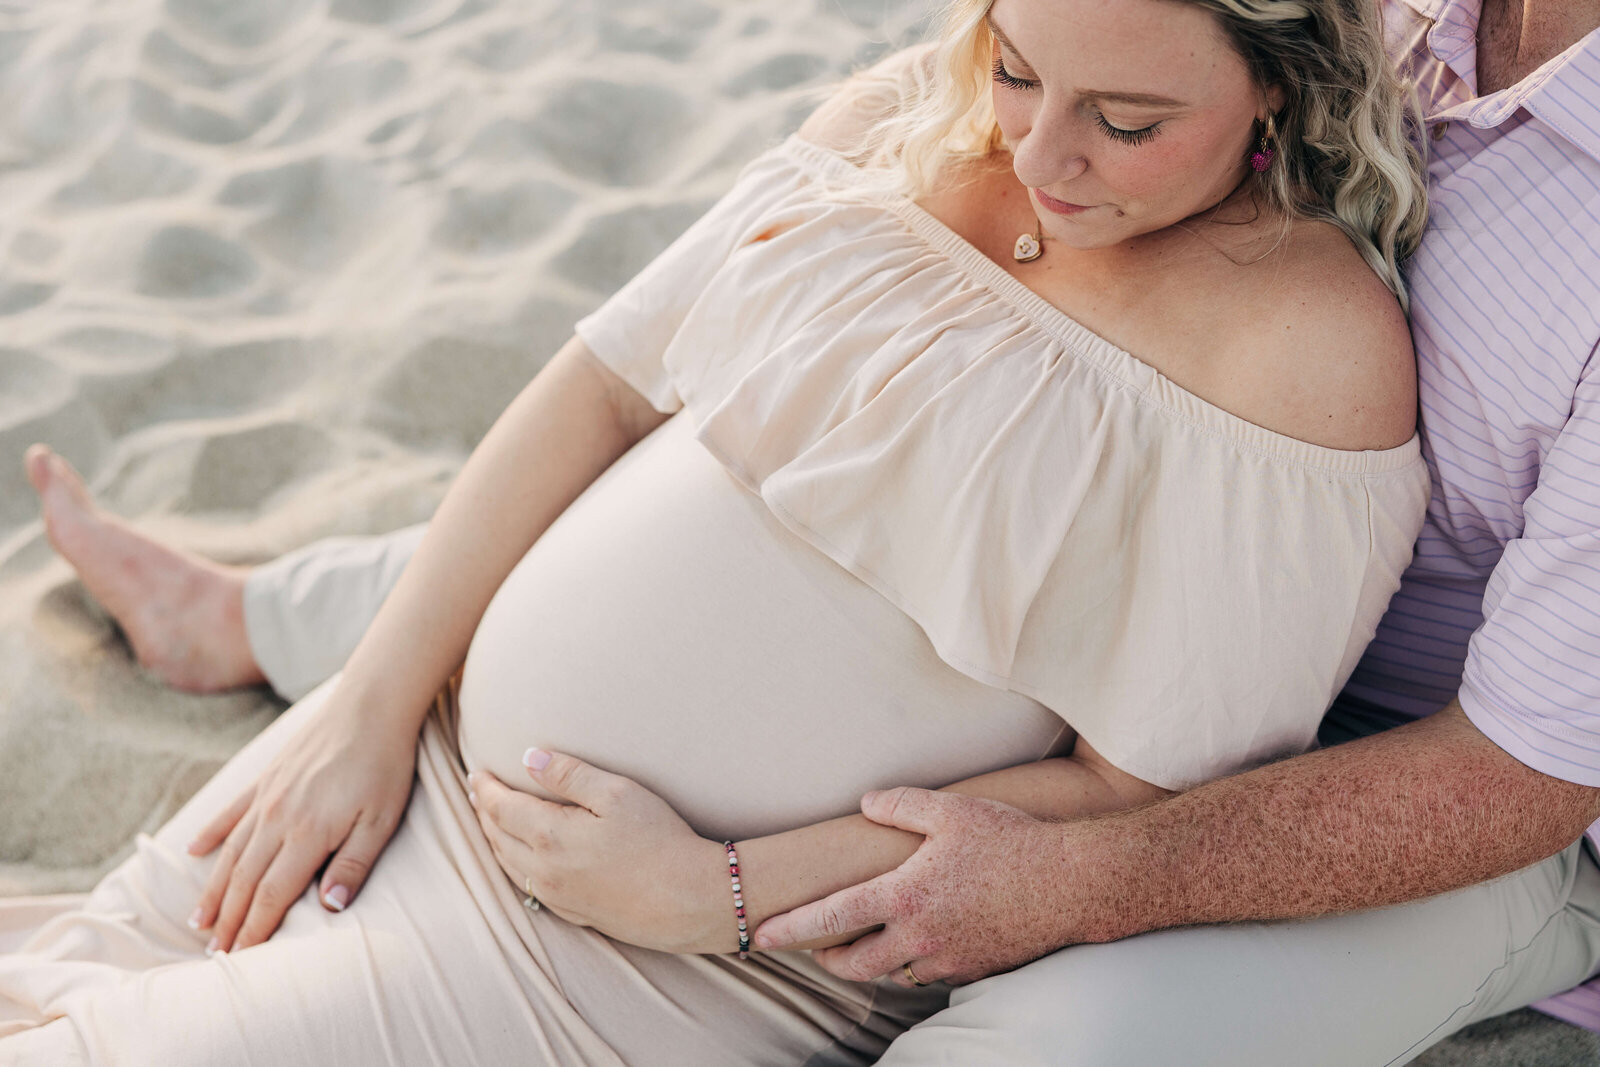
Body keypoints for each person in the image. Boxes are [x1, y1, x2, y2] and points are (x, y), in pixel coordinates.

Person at [2, 0, 1431, 1062]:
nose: (1044, 152)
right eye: (1016, 65)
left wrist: (725, 892)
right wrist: (367, 704)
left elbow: (1138, 804)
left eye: (1126, 123)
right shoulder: (904, 123)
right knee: (57, 974)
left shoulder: (1303, 356)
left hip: (669, 960)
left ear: (1278, 90)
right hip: (423, 765)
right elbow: (604, 389)